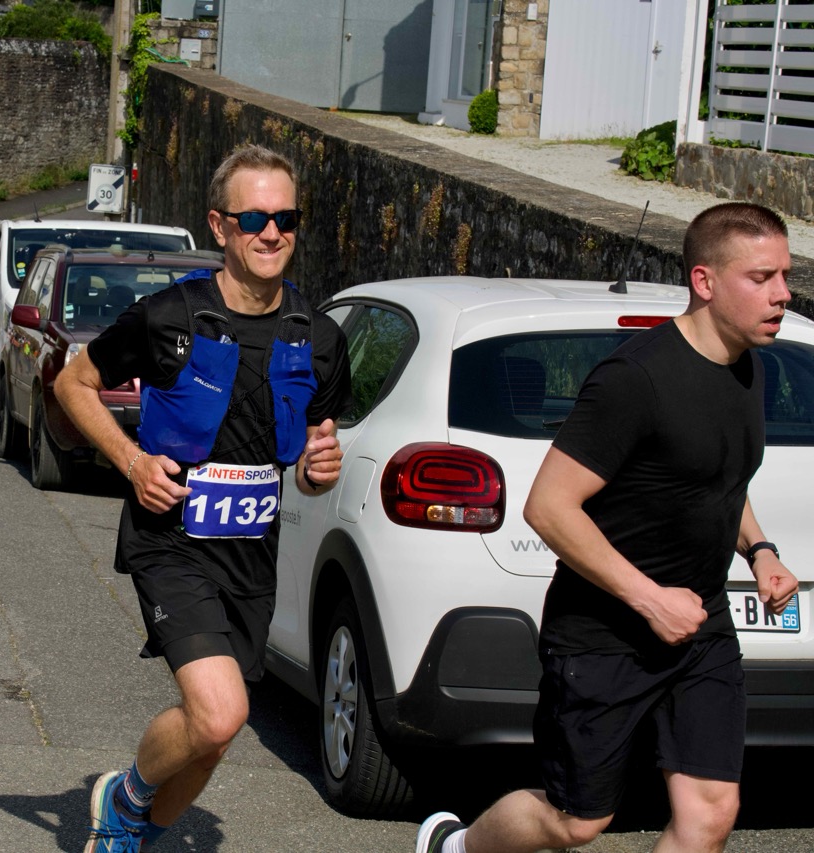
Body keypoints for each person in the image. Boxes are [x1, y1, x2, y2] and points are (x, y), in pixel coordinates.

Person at [416, 201, 801, 853]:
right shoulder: (636, 379)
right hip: (604, 634)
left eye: (785, 276)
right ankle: (455, 846)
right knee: (577, 819)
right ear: (705, 281)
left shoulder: (748, 367)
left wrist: (760, 550)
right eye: (761, 278)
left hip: (700, 626)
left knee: (710, 812)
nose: (782, 294)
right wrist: (649, 599)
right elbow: (548, 506)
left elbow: (715, 481)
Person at [56, 144, 352, 851]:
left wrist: (319, 469)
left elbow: (313, 457)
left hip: (251, 555)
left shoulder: (319, 338)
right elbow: (73, 382)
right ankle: (125, 797)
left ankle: (130, 832)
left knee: (215, 735)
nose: (272, 233)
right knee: (218, 713)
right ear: (219, 226)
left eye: (285, 218)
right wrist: (132, 461)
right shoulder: (168, 317)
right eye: (254, 218)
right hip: (171, 541)